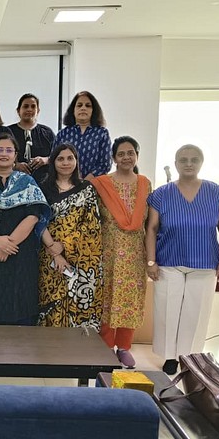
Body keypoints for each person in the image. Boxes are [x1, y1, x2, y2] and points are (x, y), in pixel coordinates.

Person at [145, 144, 219, 375]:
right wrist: (151, 261)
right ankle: (170, 357)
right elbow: (151, 229)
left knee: (196, 312)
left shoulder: (216, 193)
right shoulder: (161, 194)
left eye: (194, 159)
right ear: (176, 164)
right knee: (167, 310)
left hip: (204, 262)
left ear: (201, 163)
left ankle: (189, 356)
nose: (189, 164)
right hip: (169, 261)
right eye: (183, 160)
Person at [0, 134, 49, 324]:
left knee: (20, 310)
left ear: (15, 156)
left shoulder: (27, 184)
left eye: (8, 150)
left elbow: (33, 217)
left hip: (20, 255)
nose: (4, 154)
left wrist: (8, 244)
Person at [90, 136, 152, 368]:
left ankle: (124, 347)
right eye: (121, 154)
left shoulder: (145, 184)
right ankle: (106, 346)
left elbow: (151, 222)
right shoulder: (101, 184)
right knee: (107, 297)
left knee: (130, 299)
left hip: (135, 251)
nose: (126, 157)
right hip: (108, 249)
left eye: (130, 153)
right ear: (114, 158)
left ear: (137, 156)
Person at [37, 143, 103, 330]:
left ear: (76, 161)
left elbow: (91, 224)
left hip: (81, 259)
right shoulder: (42, 188)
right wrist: (55, 251)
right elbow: (38, 221)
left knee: (79, 305)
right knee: (52, 303)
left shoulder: (86, 188)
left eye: (70, 158)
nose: (65, 163)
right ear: (53, 162)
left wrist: (64, 245)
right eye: (60, 159)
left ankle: (78, 346)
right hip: (49, 256)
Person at [53, 91, 111, 180]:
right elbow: (53, 160)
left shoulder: (102, 133)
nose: (83, 108)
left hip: (93, 184)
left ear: (93, 110)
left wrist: (85, 182)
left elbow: (105, 164)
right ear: (73, 110)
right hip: (65, 184)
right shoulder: (63, 134)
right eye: (79, 105)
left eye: (88, 105)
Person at [8, 93, 55, 185]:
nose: (29, 109)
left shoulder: (47, 132)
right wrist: (15, 165)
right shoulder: (8, 132)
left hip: (43, 184)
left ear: (38, 111)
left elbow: (57, 156)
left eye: (33, 106)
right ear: (18, 110)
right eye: (26, 106)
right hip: (14, 184)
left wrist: (45, 160)